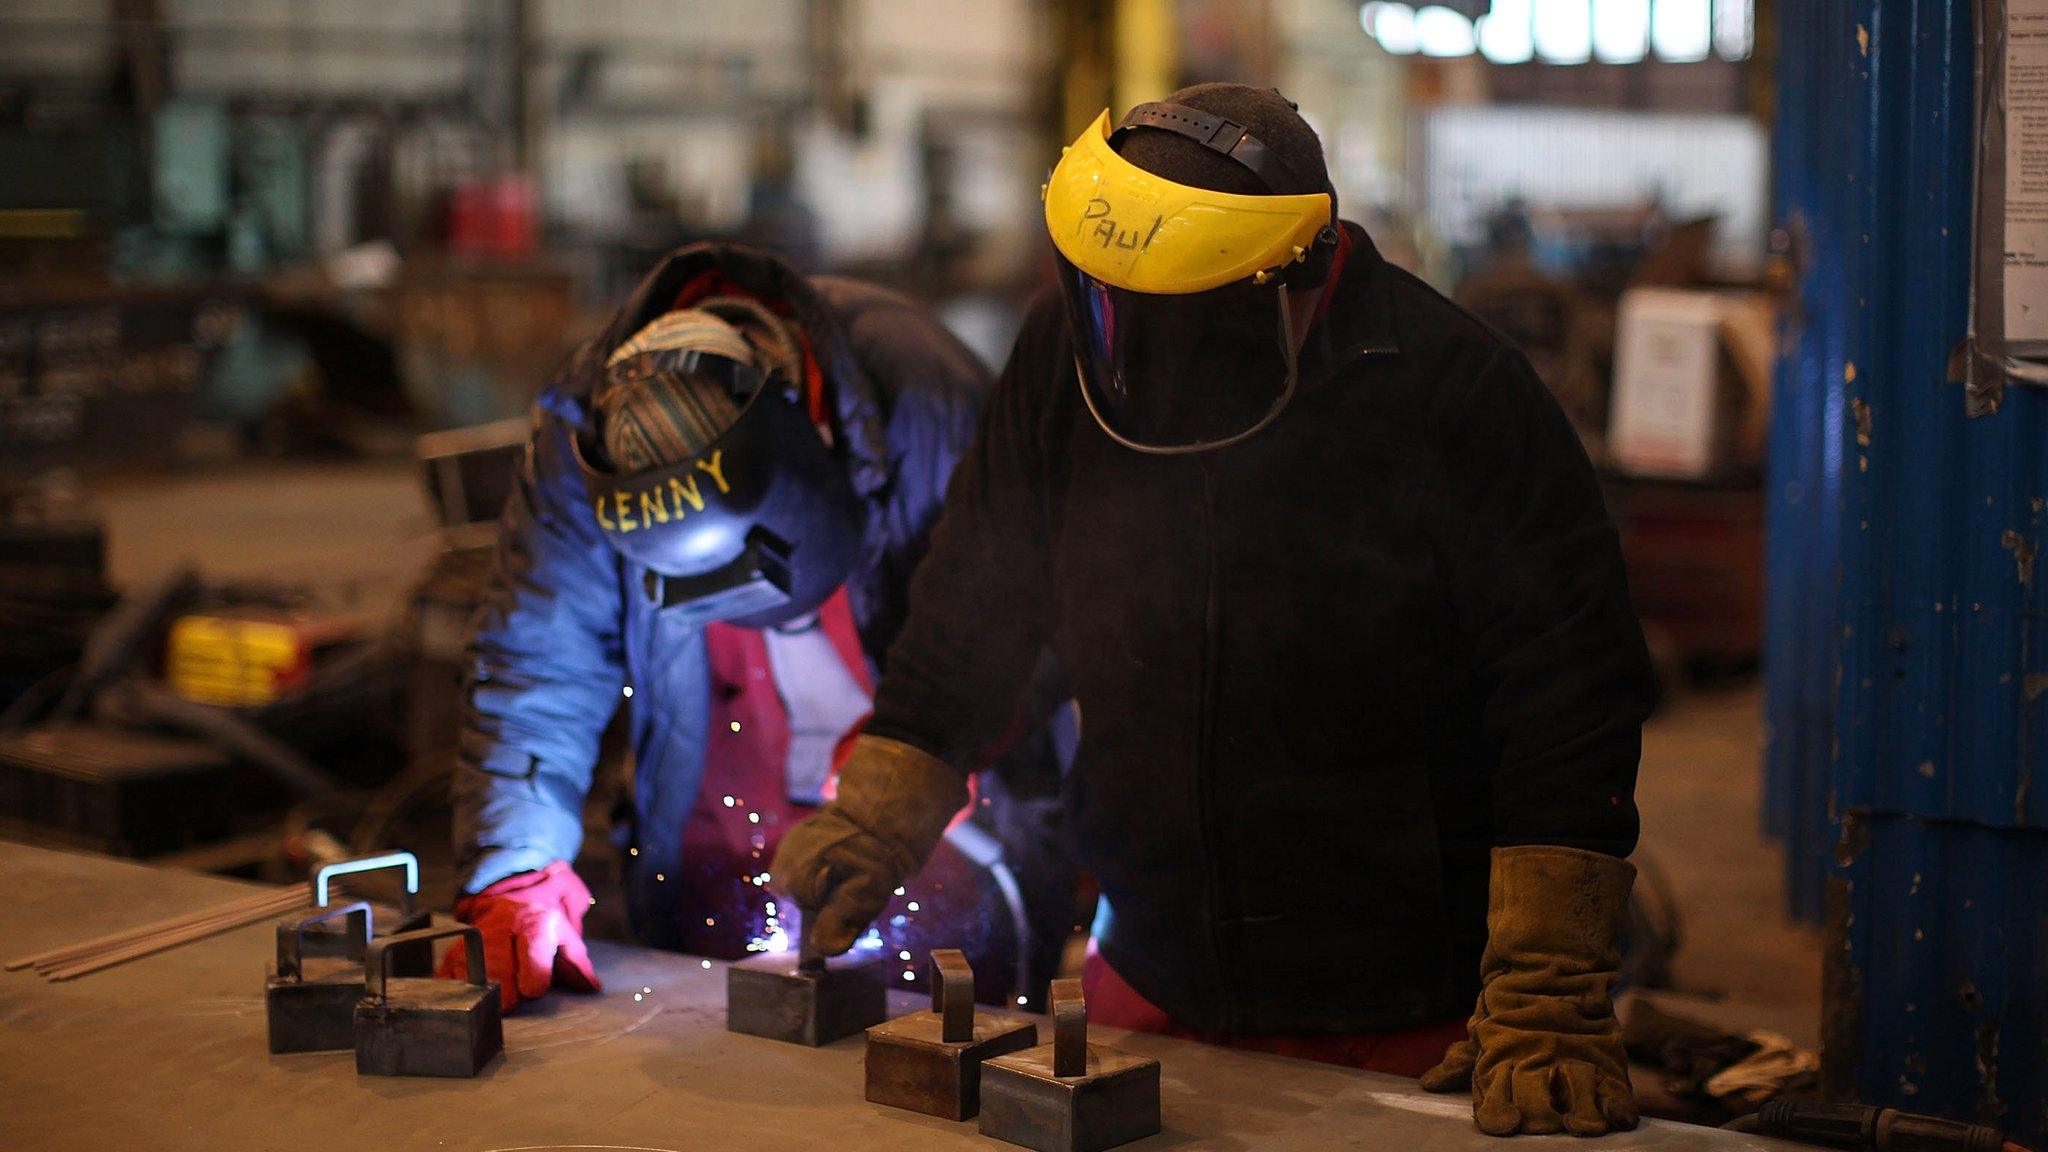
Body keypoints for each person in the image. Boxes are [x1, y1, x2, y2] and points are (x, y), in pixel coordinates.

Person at [773, 83, 1655, 1137]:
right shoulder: (1069, 358)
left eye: (1174, 314)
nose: (1139, 347)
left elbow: (1567, 695)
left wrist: (1545, 992)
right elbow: (979, 605)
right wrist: (880, 809)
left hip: (1407, 1004)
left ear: (1289, 275)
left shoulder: (1453, 395)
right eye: (1111, 305)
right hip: (1150, 971)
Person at [447, 241, 1074, 1014]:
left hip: (926, 829)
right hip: (720, 799)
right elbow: (538, 658)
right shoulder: (583, 441)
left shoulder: (924, 395)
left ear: (808, 425)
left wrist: (918, 753)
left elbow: (1028, 618)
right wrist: (517, 866)